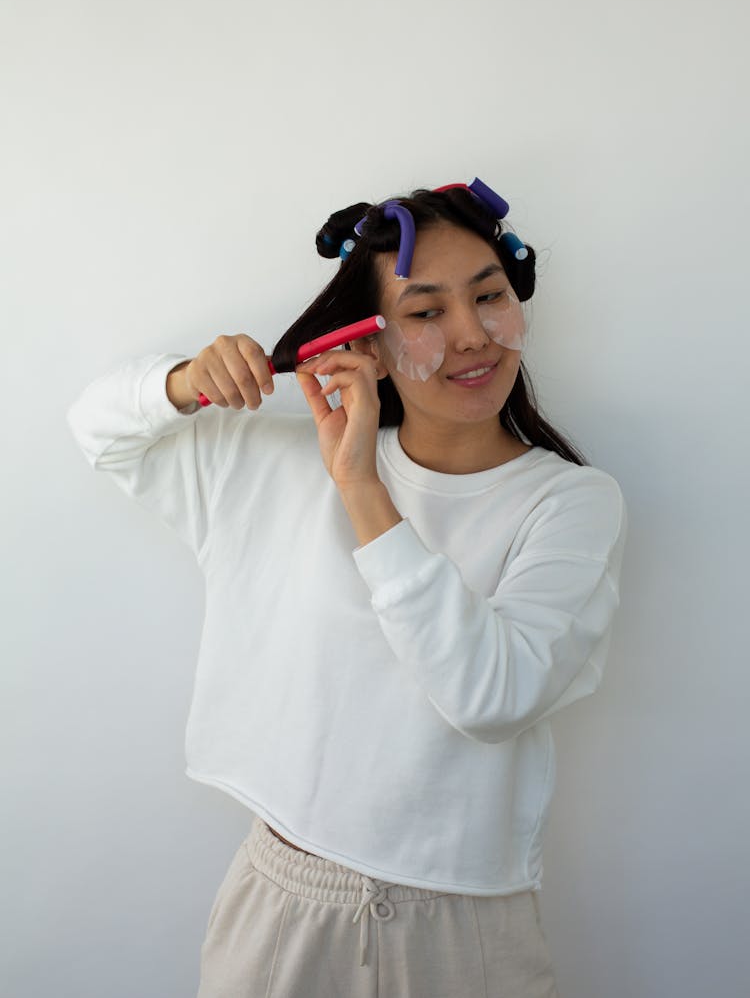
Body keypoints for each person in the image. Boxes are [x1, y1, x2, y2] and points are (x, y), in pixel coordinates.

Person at [66, 179, 628, 998]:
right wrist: (186, 380)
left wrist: (363, 486)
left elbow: (490, 694)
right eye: (426, 312)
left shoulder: (572, 503)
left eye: (490, 296)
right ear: (368, 340)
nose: (472, 335)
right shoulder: (277, 466)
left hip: (467, 930)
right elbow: (96, 428)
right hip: (283, 909)